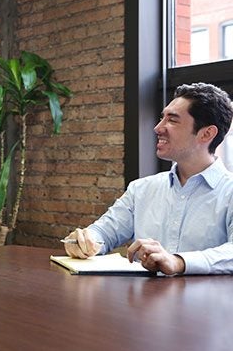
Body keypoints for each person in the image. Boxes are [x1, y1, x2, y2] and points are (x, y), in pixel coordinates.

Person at [63, 82, 233, 275]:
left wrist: (178, 262)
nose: (157, 128)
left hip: (207, 305)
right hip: (142, 303)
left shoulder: (229, 191)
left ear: (206, 133)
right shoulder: (141, 189)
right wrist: (84, 241)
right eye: (162, 118)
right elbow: (103, 233)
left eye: (173, 120)